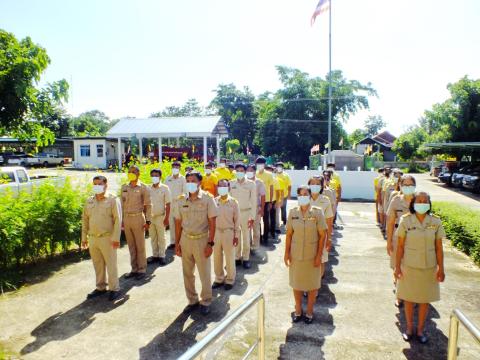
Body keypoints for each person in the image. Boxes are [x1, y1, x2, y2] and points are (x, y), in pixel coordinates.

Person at [394, 191, 446, 344]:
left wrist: (441, 268)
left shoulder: (435, 222)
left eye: (425, 201)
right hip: (409, 266)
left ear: (429, 204)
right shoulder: (406, 220)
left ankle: (420, 329)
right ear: (413, 203)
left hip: (429, 267)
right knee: (409, 299)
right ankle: (409, 328)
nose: (422, 203)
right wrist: (397, 267)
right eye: (419, 200)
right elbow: (400, 247)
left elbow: (439, 247)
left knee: (424, 300)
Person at [174, 171, 218, 315]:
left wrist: (210, 243)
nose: (190, 183)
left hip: (202, 239)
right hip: (186, 239)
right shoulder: (181, 199)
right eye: (188, 180)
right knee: (187, 273)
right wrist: (177, 243)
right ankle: (192, 300)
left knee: (204, 273)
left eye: (193, 180)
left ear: (199, 182)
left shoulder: (207, 199)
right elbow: (178, 222)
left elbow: (212, 222)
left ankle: (206, 300)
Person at [284, 185, 328, 324]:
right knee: (296, 284)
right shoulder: (292, 212)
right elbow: (289, 234)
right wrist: (286, 253)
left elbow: (323, 235)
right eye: (300, 194)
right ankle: (298, 310)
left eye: (305, 194)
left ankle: (309, 311)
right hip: (296, 255)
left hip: (312, 255)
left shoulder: (317, 212)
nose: (303, 197)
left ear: (309, 196)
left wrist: (319, 256)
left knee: (312, 285)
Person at [81, 175, 121, 301]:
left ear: (106, 185)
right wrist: (84, 237)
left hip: (107, 238)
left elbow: (118, 220)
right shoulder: (89, 201)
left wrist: (116, 238)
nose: (97, 186)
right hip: (93, 238)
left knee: (111, 265)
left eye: (99, 184)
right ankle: (100, 287)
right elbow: (85, 220)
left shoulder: (113, 200)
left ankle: (114, 288)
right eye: (95, 184)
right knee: (97, 264)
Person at [386, 175, 416, 307]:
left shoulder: (420, 200)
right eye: (405, 185)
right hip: (398, 237)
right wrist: (388, 242)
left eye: (411, 185)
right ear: (400, 185)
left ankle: (412, 295)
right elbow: (391, 222)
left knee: (412, 267)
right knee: (398, 265)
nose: (408, 187)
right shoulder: (396, 200)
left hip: (416, 238)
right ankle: (400, 294)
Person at [121, 165, 152, 280]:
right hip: (127, 219)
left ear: (138, 174)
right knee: (131, 246)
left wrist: (148, 220)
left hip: (138, 218)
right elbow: (122, 205)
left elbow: (148, 205)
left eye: (133, 171)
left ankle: (142, 269)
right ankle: (134, 269)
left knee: (140, 246)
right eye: (129, 171)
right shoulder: (124, 187)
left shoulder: (143, 187)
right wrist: (121, 221)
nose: (131, 173)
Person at [212, 179, 240, 290]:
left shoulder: (233, 202)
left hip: (229, 232)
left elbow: (237, 220)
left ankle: (230, 279)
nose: (222, 188)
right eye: (220, 186)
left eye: (224, 186)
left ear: (228, 188)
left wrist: (236, 235)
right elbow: (211, 219)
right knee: (217, 256)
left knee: (229, 257)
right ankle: (219, 278)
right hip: (217, 232)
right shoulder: (214, 201)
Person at [230, 163, 256, 268]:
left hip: (246, 212)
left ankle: (246, 258)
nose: (239, 172)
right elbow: (229, 199)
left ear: (245, 172)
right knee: (235, 236)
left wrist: (252, 217)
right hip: (234, 213)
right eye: (238, 171)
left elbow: (254, 201)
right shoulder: (231, 183)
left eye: (241, 170)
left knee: (246, 236)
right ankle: (236, 257)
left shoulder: (251, 184)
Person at [308, 175, 334, 277]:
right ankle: (308, 285)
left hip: (321, 235)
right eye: (312, 184)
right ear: (309, 185)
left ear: (321, 186)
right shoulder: (304, 198)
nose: (315, 186)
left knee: (321, 259)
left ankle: (316, 285)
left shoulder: (325, 200)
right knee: (308, 260)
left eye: (317, 184)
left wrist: (329, 238)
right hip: (306, 235)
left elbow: (329, 221)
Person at [147, 168, 171, 266]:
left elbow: (168, 204)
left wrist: (167, 218)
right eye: (152, 175)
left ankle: (162, 256)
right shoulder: (148, 188)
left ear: (160, 177)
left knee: (162, 237)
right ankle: (155, 255)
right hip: (150, 217)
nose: (154, 177)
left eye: (156, 176)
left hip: (161, 216)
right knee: (153, 237)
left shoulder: (165, 188)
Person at [166, 161, 187, 250]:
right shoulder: (168, 178)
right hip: (170, 204)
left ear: (180, 168)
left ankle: (181, 242)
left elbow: (185, 192)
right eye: (174, 167)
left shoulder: (183, 179)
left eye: (177, 167)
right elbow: (165, 190)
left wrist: (180, 197)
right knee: (171, 223)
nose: (175, 168)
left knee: (180, 223)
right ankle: (173, 242)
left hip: (179, 203)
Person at [247, 164, 265, 252]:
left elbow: (263, 196)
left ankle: (255, 246)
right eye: (248, 170)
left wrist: (262, 209)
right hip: (246, 209)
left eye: (251, 170)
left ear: (254, 171)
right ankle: (248, 245)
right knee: (246, 229)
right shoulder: (244, 182)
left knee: (256, 228)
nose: (250, 172)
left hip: (256, 208)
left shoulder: (259, 182)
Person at [255, 156, 274, 244]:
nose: (260, 165)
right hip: (256, 201)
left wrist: (270, 202)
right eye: (258, 164)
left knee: (266, 219)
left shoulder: (269, 174)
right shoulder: (254, 173)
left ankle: (265, 236)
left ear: (264, 164)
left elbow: (271, 188)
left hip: (266, 200)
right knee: (257, 220)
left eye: (261, 164)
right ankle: (258, 237)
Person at [275, 162, 292, 227]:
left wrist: (289, 194)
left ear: (282, 167)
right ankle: (276, 222)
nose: (279, 167)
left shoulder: (286, 175)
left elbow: (289, 185)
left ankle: (284, 220)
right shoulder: (274, 175)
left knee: (283, 208)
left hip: (284, 195)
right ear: (276, 167)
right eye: (278, 166)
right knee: (276, 209)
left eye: (280, 166)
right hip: (276, 195)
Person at [326, 163, 342, 229]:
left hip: (333, 195)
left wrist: (339, 196)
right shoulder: (324, 174)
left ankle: (332, 223)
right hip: (326, 194)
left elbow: (339, 186)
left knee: (333, 210)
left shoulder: (337, 175)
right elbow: (339, 187)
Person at [270, 165, 284, 236]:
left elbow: (281, 191)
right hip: (269, 200)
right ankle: (270, 228)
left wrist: (280, 201)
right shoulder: (267, 179)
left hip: (276, 200)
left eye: (273, 171)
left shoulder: (279, 180)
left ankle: (277, 228)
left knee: (276, 215)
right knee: (270, 216)